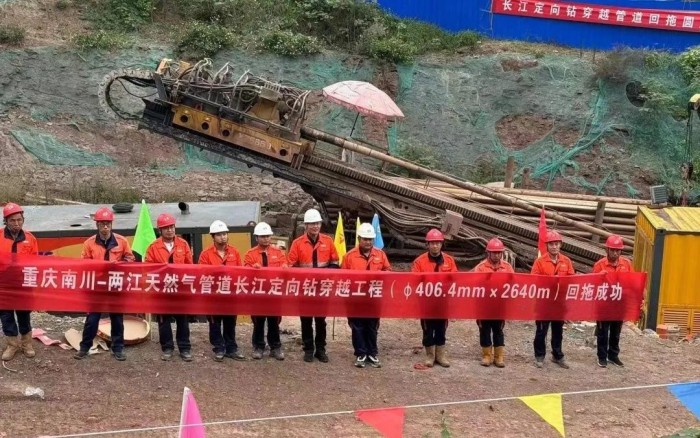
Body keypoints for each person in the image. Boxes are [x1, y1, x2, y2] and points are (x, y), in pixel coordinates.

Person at [74, 207, 135, 361]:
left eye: (108, 223)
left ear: (111, 224)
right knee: (92, 319)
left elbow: (130, 259)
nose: (105, 227)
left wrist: (118, 265)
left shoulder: (122, 241)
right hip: (97, 286)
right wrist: (99, 268)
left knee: (117, 318)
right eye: (102, 224)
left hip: (115, 285)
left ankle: (118, 348)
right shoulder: (89, 243)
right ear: (97, 225)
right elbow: (84, 264)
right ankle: (84, 347)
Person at [287, 208, 339, 363]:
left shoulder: (328, 241)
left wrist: (325, 275)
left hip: (323, 287)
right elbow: (291, 265)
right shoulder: (297, 243)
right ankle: (308, 349)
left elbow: (335, 262)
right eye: (312, 224)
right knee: (306, 320)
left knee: (321, 320)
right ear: (306, 225)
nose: (315, 226)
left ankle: (321, 350)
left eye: (317, 223)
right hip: (305, 288)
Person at [145, 213, 194, 362]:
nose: (170, 230)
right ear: (160, 230)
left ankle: (184, 348)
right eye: (166, 228)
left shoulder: (183, 244)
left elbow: (190, 266)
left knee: (182, 319)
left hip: (180, 289)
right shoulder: (153, 247)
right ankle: (167, 347)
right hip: (162, 289)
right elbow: (148, 268)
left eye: (172, 227)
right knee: (163, 320)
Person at [342, 222, 391, 368]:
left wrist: (382, 276)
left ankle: (372, 353)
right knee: (357, 326)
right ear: (359, 239)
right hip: (356, 297)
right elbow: (343, 277)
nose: (368, 242)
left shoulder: (380, 255)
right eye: (365, 239)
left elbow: (388, 271)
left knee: (372, 326)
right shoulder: (349, 256)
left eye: (370, 239)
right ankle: (361, 354)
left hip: (374, 297)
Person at [198, 220, 246, 362]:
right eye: (219, 234)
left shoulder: (234, 252)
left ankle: (231, 348)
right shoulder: (206, 254)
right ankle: (219, 348)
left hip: (230, 294)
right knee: (215, 323)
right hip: (213, 295)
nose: (223, 237)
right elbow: (202, 273)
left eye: (224, 234)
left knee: (230, 322)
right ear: (213, 237)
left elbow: (240, 271)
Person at [412, 228, 457, 368]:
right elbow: (414, 280)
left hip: (443, 302)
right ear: (428, 244)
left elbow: (455, 279)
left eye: (438, 243)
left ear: (441, 244)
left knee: (441, 328)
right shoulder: (419, 262)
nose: (435, 246)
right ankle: (430, 356)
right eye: (432, 243)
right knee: (427, 329)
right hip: (426, 302)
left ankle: (440, 355)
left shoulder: (449, 260)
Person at [244, 222, 288, 361]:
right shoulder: (250, 254)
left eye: (268, 236)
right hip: (257, 294)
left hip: (274, 293)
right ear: (256, 238)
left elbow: (285, 269)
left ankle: (275, 347)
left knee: (274, 321)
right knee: (258, 321)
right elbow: (245, 271)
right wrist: (253, 269)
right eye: (262, 236)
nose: (266, 239)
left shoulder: (278, 253)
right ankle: (258, 346)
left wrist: (285, 268)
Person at [0, 203, 39, 361]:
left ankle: (26, 343)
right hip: (3, 285)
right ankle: (12, 345)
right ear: (6, 221)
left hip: (23, 284)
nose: (16, 223)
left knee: (24, 314)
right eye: (12, 220)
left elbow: (36, 263)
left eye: (19, 220)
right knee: (6, 315)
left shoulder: (30, 238)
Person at [531, 229, 575, 369]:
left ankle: (557, 355)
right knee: (541, 330)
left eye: (556, 244)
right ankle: (539, 356)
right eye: (551, 244)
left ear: (560, 245)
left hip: (559, 303)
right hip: (544, 302)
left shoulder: (566, 261)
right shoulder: (540, 262)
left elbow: (572, 279)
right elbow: (534, 279)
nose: (554, 246)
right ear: (547, 245)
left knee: (558, 330)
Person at [473, 237, 514, 368]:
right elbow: (475, 286)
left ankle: (499, 356)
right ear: (488, 253)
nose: (497, 255)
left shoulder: (507, 267)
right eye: (494, 252)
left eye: (499, 252)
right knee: (484, 330)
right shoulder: (480, 268)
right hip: (484, 306)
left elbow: (514, 284)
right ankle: (486, 355)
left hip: (500, 306)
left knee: (498, 330)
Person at [594, 234, 633, 368]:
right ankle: (602, 356)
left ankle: (613, 355)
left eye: (618, 250)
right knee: (603, 332)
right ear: (607, 250)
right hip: (604, 304)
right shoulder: (600, 265)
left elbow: (633, 281)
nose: (615, 253)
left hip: (619, 304)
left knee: (616, 332)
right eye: (613, 250)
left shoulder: (626, 264)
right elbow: (593, 284)